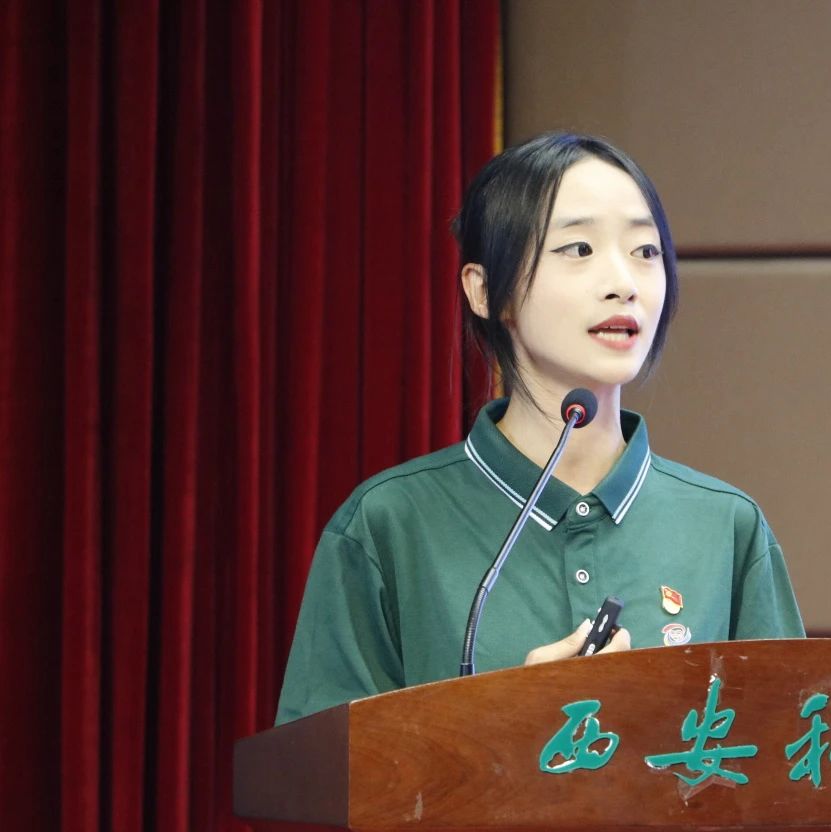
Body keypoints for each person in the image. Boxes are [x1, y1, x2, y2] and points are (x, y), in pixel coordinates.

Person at [275, 132, 803, 724]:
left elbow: (790, 759)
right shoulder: (388, 525)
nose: (623, 282)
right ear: (484, 290)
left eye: (645, 251)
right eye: (579, 248)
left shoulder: (726, 527)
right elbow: (322, 773)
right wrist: (515, 726)